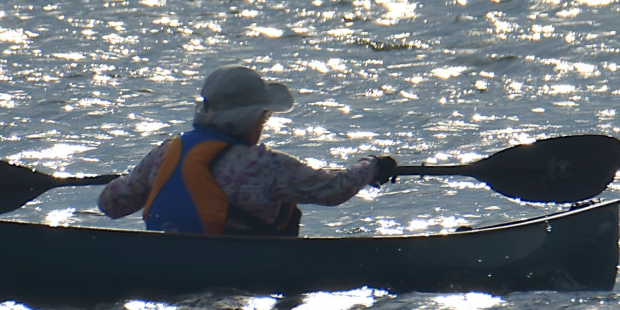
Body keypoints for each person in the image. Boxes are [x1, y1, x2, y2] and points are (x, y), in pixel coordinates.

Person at [98, 65, 397, 236]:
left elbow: (111, 205)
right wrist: (371, 166)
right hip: (242, 272)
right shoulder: (262, 165)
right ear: (251, 117)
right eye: (264, 117)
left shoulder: (164, 153)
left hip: (162, 261)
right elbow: (334, 189)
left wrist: (140, 178)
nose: (263, 124)